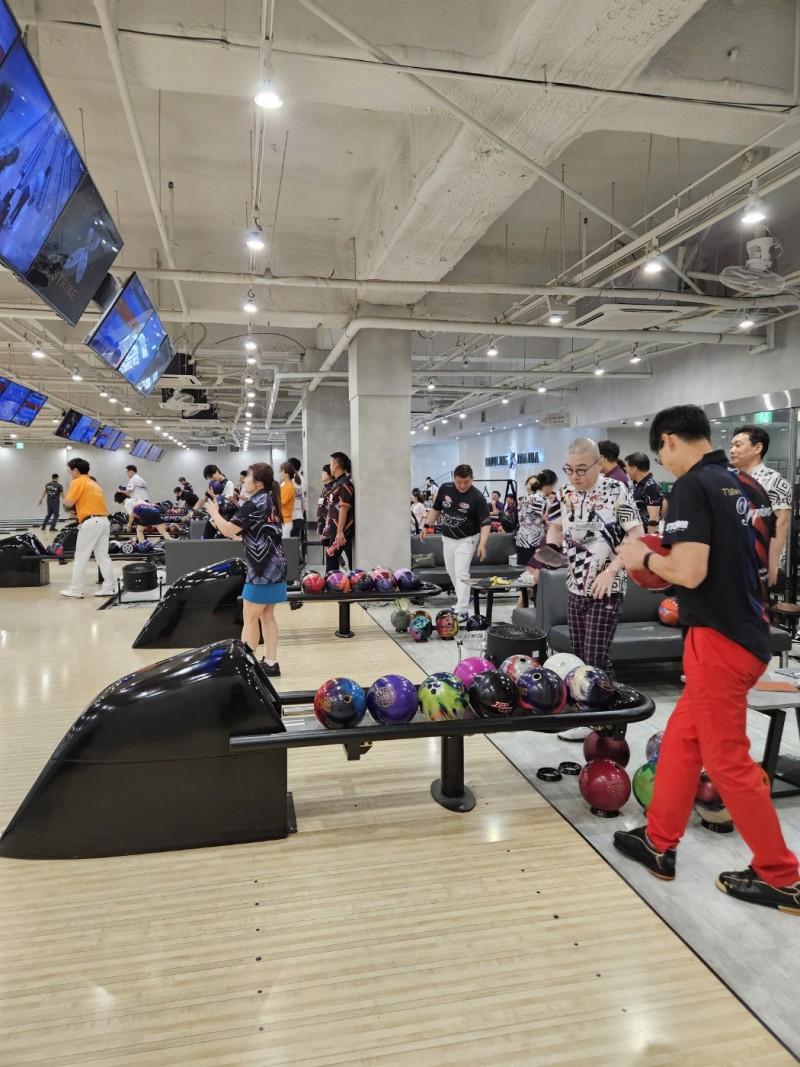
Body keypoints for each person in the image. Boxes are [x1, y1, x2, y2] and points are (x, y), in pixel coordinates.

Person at [614, 404, 800, 914]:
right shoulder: (748, 485)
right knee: (681, 742)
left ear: (670, 441)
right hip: (748, 630)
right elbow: (765, 566)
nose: (665, 463)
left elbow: (689, 571)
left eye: (661, 455)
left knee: (726, 760)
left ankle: (781, 876)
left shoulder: (693, 485)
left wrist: (639, 557)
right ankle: (659, 842)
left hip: (719, 639)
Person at [542, 438, 643, 739]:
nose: (575, 476)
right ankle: (593, 716)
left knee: (597, 658)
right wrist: (550, 550)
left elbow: (637, 533)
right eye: (569, 469)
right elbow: (556, 527)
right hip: (575, 585)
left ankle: (603, 722)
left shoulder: (617, 490)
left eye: (581, 469)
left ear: (599, 464)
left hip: (607, 587)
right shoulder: (565, 492)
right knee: (580, 656)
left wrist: (612, 571)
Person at [203, 462, 287, 677]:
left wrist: (214, 512)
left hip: (261, 570)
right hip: (276, 565)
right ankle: (271, 663)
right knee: (267, 615)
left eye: (247, 477)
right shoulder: (269, 500)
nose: (243, 481)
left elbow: (227, 528)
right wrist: (242, 537)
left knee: (249, 617)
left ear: (258, 482)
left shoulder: (254, 503)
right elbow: (263, 532)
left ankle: (246, 668)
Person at [421, 464, 490, 621]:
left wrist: (482, 544)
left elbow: (486, 523)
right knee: (451, 571)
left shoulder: (477, 497)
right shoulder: (445, 489)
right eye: (459, 482)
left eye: (466, 482)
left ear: (472, 479)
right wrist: (426, 526)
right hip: (448, 537)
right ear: (454, 479)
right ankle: (462, 600)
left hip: (467, 539)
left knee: (461, 572)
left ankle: (462, 609)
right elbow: (436, 509)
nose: (462, 486)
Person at [729, 424, 792, 585]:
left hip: (759, 562)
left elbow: (781, 522)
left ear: (757, 448)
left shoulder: (773, 480)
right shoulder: (730, 479)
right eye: (731, 446)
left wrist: (772, 564)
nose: (732, 450)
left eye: (738, 445)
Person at [59, 458, 115, 598]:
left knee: (81, 556)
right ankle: (109, 587)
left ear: (76, 470)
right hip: (103, 521)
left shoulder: (78, 481)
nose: (70, 474)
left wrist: (62, 497)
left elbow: (68, 502)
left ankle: (76, 589)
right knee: (102, 556)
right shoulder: (94, 484)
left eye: (70, 471)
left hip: (91, 523)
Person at [515, 470, 557, 605]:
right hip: (535, 542)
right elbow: (549, 522)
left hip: (522, 540)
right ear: (551, 484)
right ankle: (534, 611)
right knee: (536, 580)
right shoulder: (543, 500)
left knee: (529, 578)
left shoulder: (527, 497)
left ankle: (520, 609)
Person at [324, 452, 355, 571]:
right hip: (334, 528)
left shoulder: (344, 484)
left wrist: (340, 531)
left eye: (331, 464)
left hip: (341, 530)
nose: (330, 467)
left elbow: (344, 508)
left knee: (331, 557)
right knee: (331, 558)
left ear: (336, 465)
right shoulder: (336, 484)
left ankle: (333, 581)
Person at [625, 452, 664, 531]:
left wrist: (649, 537)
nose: (626, 470)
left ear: (634, 468)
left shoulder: (651, 486)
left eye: (627, 467)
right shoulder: (638, 485)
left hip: (645, 534)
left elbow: (654, 517)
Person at [317, 464, 334, 555]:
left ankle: (340, 564)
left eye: (323, 472)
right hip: (323, 523)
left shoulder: (331, 489)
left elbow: (330, 510)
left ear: (329, 474)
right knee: (326, 548)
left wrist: (326, 529)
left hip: (328, 526)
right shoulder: (325, 488)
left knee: (331, 552)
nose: (321, 474)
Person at [278, 462, 296, 537]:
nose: (279, 474)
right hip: (282, 520)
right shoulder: (284, 486)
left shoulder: (288, 487)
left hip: (285, 521)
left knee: (283, 543)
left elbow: (280, 502)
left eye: (281, 471)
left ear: (286, 474)